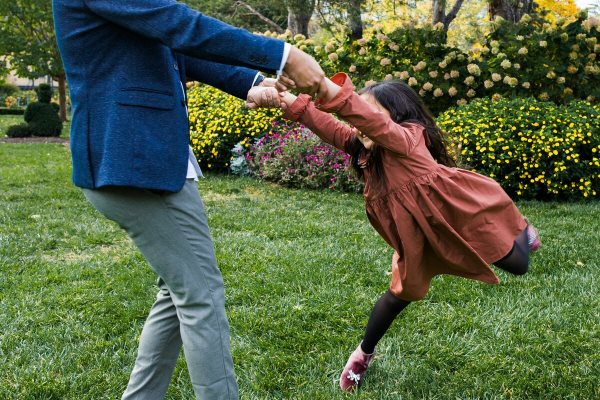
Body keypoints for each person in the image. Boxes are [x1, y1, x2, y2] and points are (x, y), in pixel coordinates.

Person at [52, 0, 323, 398]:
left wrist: (251, 83)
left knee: (179, 291)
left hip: (146, 159)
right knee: (201, 296)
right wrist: (282, 54)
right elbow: (177, 25)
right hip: (132, 163)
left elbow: (173, 45)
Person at [254, 72, 541, 391]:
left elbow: (374, 124)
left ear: (397, 116)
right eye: (361, 113)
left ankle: (521, 228)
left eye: (370, 113)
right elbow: (330, 126)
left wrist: (330, 90)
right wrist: (286, 99)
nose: (361, 122)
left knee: (519, 265)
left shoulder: (408, 137)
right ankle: (363, 354)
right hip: (414, 233)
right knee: (400, 293)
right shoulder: (365, 148)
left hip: (459, 213)